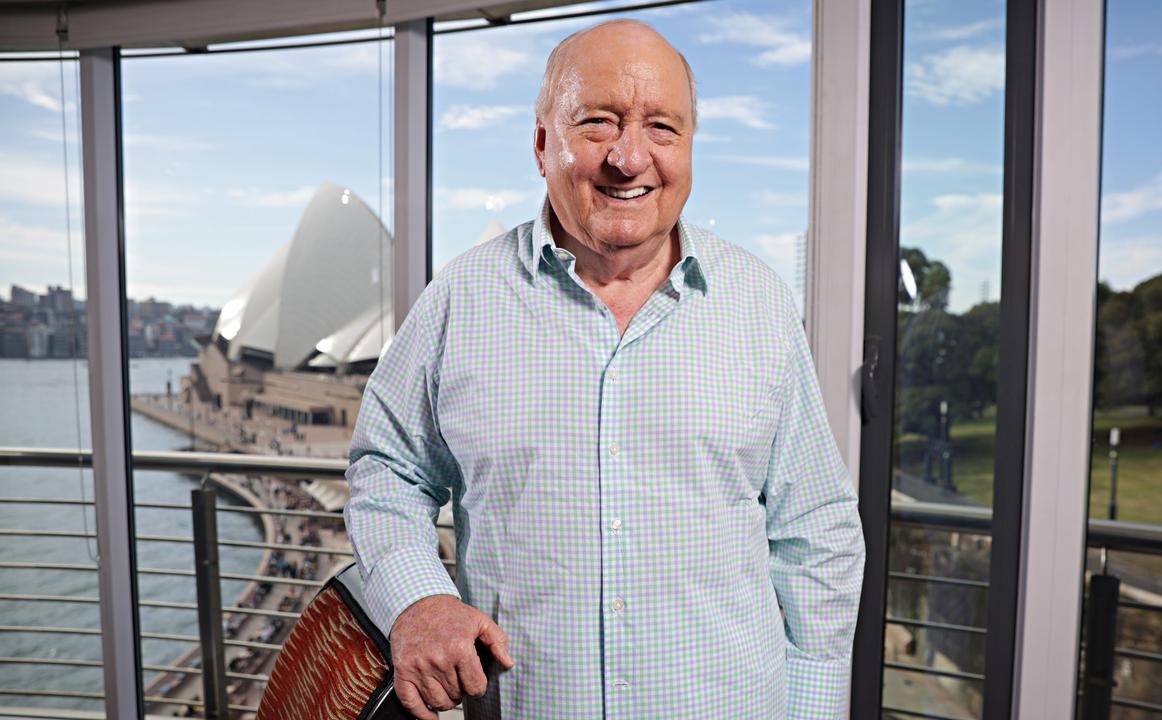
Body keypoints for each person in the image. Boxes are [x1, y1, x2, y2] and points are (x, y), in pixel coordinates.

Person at [344, 19, 865, 720]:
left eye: (661, 127)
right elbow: (386, 472)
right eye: (597, 123)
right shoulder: (458, 302)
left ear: (688, 148)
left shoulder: (759, 302)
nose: (629, 158)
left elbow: (818, 528)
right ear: (541, 145)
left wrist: (813, 710)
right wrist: (416, 597)